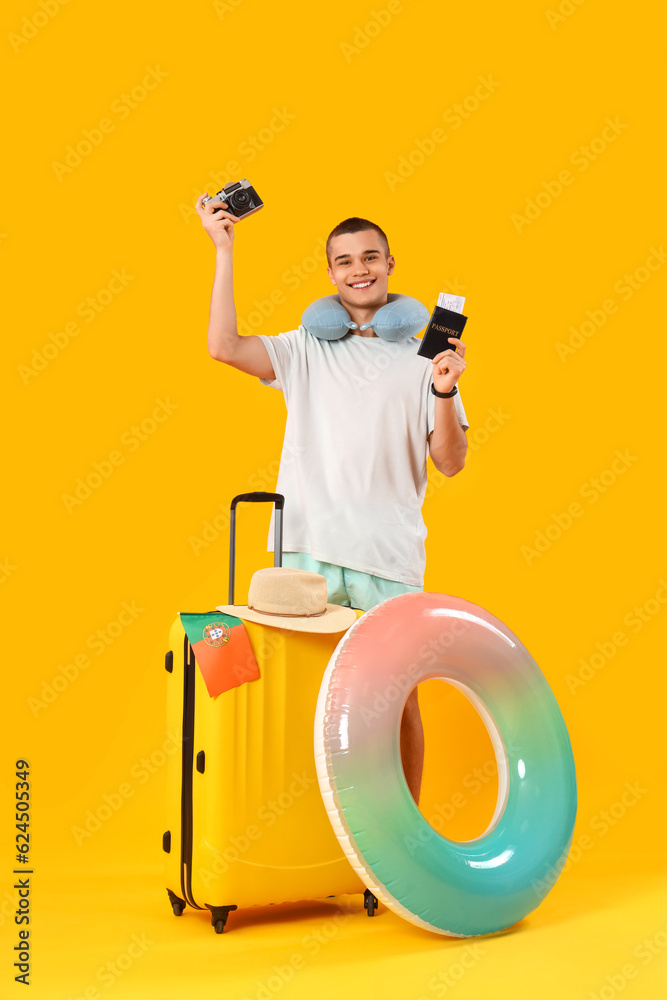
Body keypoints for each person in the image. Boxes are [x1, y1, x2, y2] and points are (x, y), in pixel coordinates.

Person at [195, 193, 469, 805]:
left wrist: (446, 392)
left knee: (398, 700)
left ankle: (401, 840)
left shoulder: (429, 360)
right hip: (306, 553)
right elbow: (223, 345)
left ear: (390, 263)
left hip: (387, 557)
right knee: (300, 696)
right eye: (344, 260)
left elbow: (450, 462)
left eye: (370, 257)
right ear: (330, 273)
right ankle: (303, 833)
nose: (358, 269)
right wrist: (223, 250)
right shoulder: (302, 349)